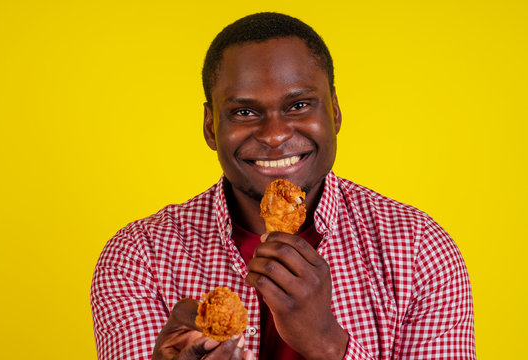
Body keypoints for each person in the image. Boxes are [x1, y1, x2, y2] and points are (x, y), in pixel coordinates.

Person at [91, 12, 476, 360]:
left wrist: (325, 342)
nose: (274, 135)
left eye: (299, 105)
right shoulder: (138, 259)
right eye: (244, 112)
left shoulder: (419, 251)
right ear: (211, 127)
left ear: (335, 112)